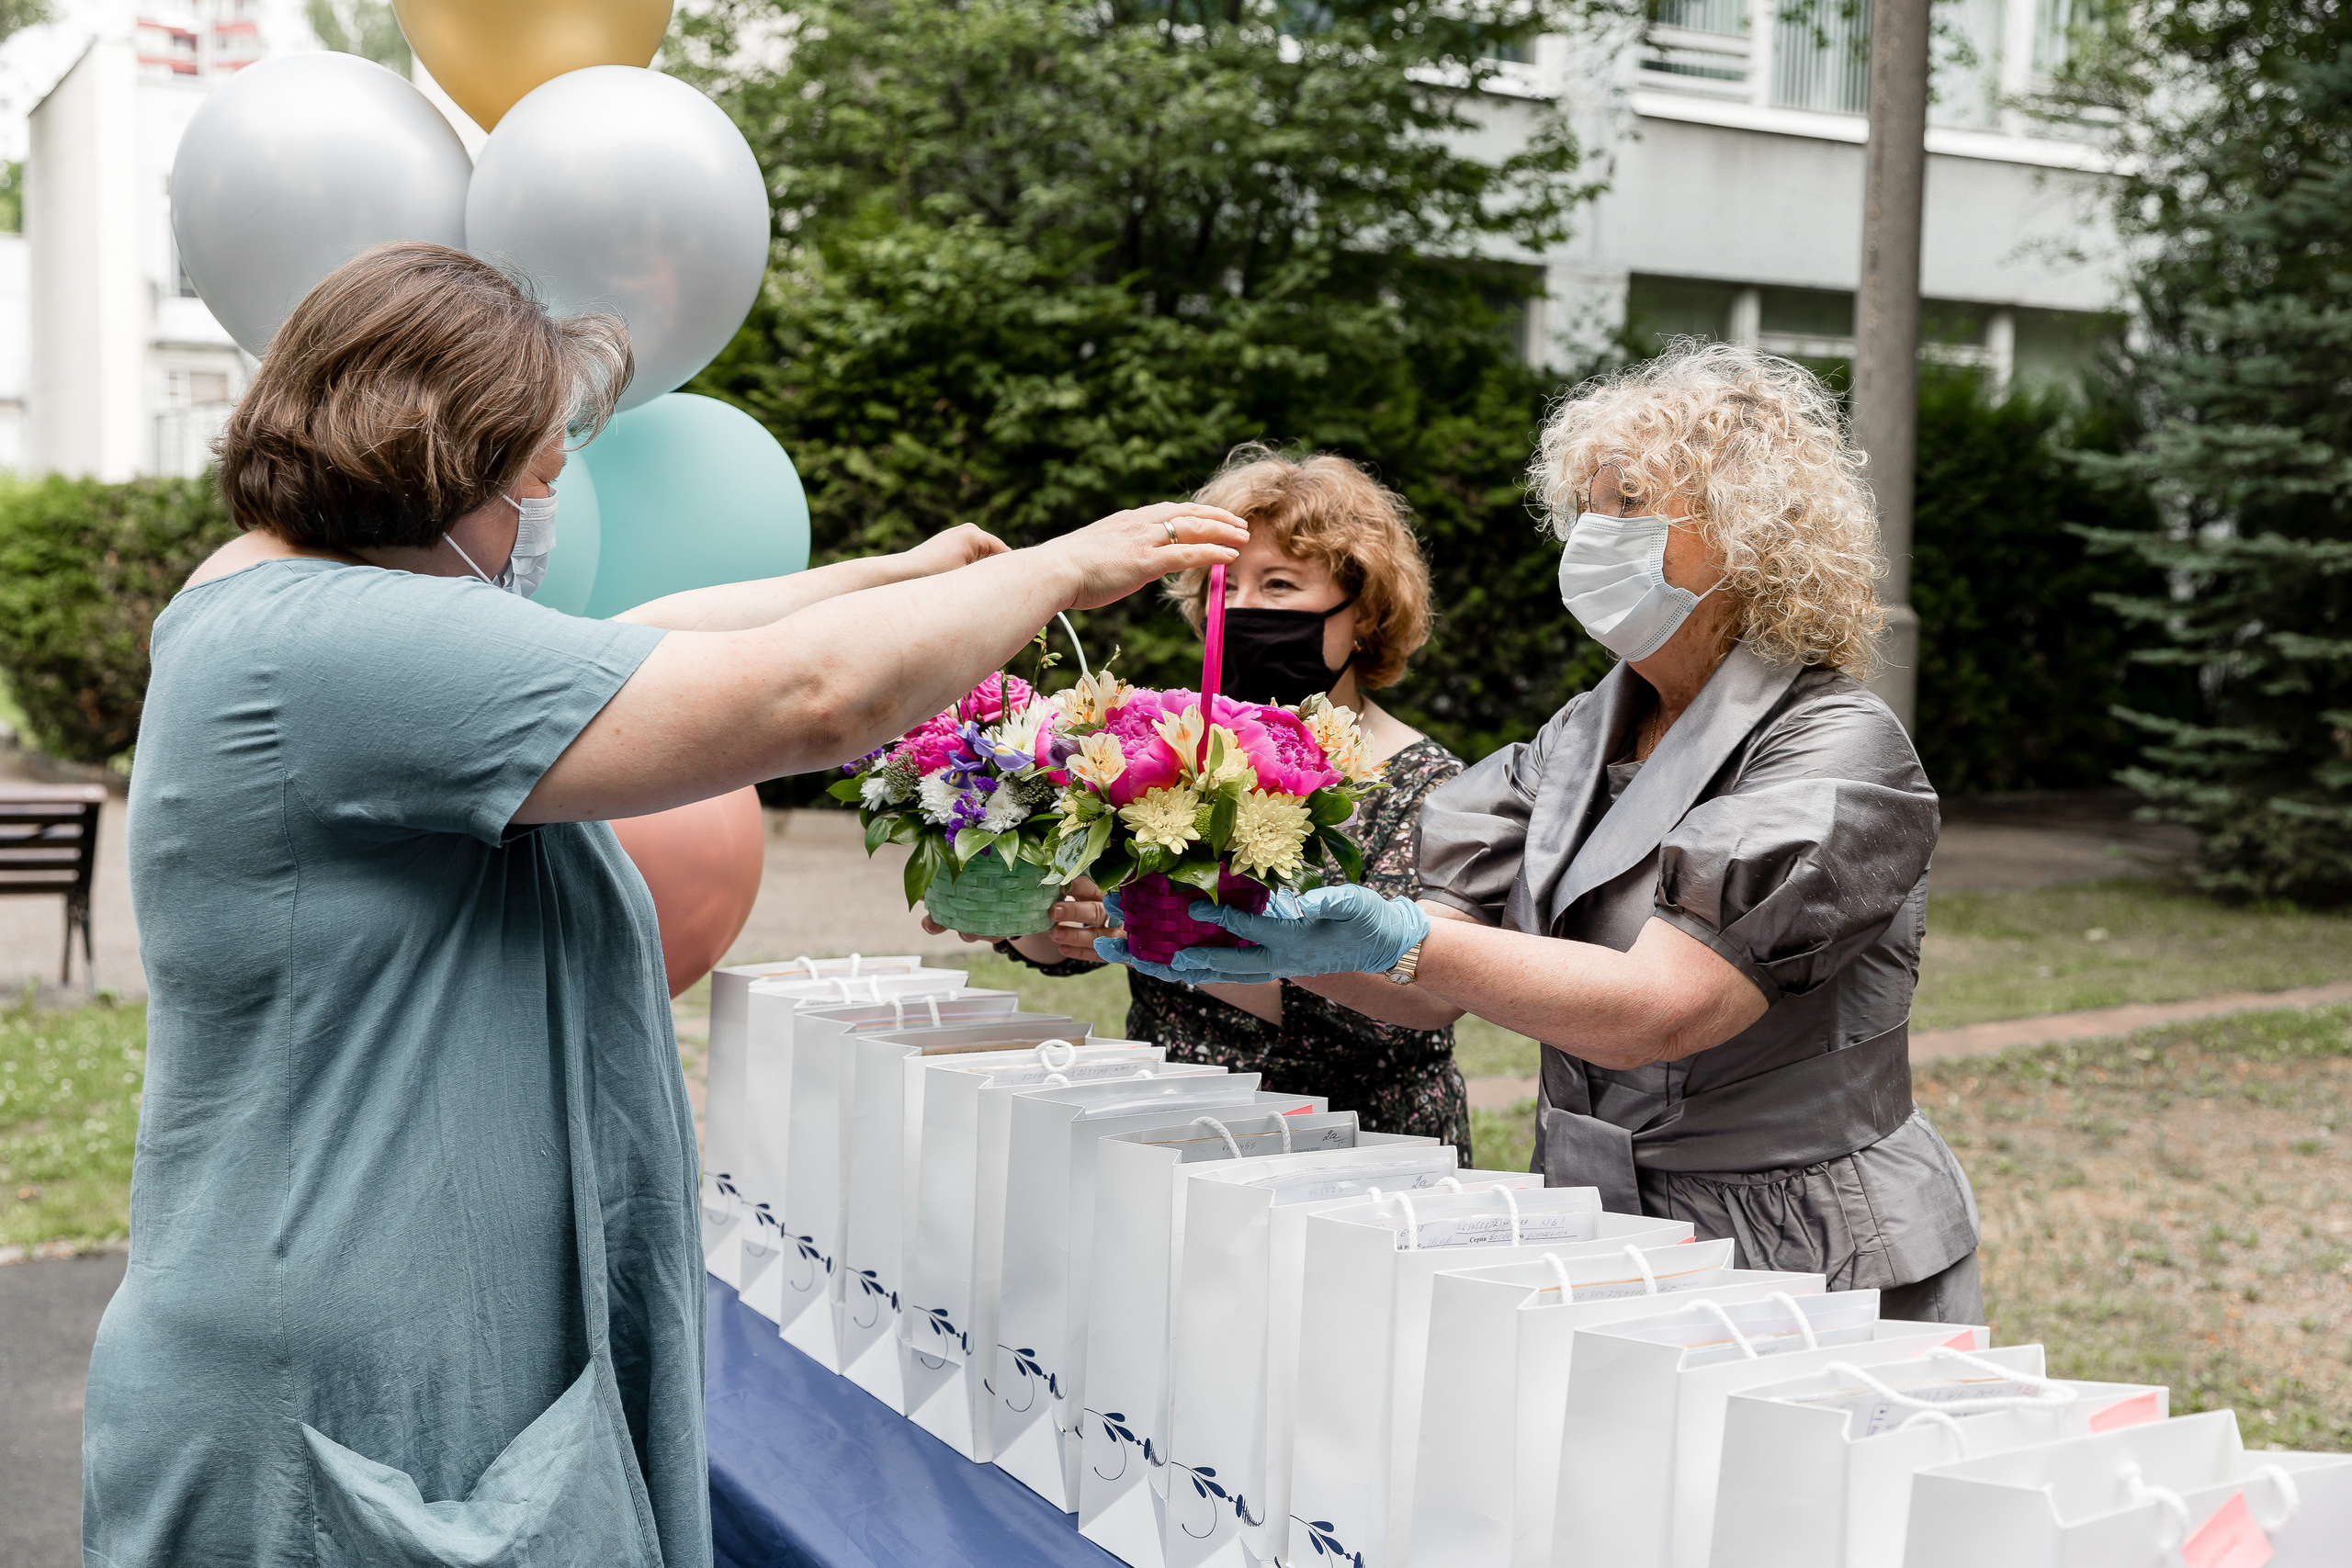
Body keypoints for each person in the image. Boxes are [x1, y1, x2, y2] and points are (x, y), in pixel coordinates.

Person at [84, 241, 1247, 1568]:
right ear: (429, 459)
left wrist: (897, 576)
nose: (546, 511)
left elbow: (651, 631)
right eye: (534, 479)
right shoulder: (322, 641)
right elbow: (806, 698)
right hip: (333, 1397)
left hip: (376, 1349)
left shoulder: (277, 606)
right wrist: (1058, 568)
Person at [1135, 343, 1982, 1322]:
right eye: (1587, 509)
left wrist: (1400, 937)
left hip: (1806, 1255)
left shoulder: (1838, 748)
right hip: (1597, 1225)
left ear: (1755, 534)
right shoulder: (1582, 733)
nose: (1594, 535)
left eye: (1629, 502)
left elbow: (1661, 1011)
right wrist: (1245, 934)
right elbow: (1415, 992)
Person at [936, 447, 1473, 1153]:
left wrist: (1150, 930)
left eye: (1279, 584)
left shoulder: (1431, 785)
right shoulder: (1165, 745)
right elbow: (1065, 944)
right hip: (1171, 1133)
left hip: (1358, 1154)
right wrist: (1005, 900)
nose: (1245, 608)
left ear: (1366, 611)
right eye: (1228, 587)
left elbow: (1406, 1007)